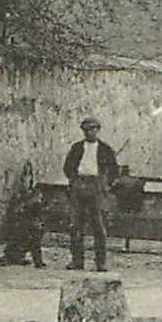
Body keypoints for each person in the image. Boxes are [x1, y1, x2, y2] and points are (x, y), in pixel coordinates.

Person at [62, 116, 119, 271]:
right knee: (76, 226)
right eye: (86, 130)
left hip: (96, 188)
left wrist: (106, 184)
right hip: (79, 186)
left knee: (98, 227)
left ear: (98, 130)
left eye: (93, 129)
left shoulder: (105, 149)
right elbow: (67, 167)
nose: (90, 133)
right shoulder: (77, 148)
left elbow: (114, 170)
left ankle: (101, 262)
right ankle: (77, 261)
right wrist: (74, 180)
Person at [0, 161, 46, 268]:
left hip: (31, 221)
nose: (27, 179)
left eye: (29, 176)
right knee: (19, 233)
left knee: (35, 233)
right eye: (25, 176)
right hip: (21, 223)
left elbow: (38, 209)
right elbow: (15, 212)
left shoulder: (36, 193)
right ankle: (13, 257)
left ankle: (37, 261)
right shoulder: (18, 194)